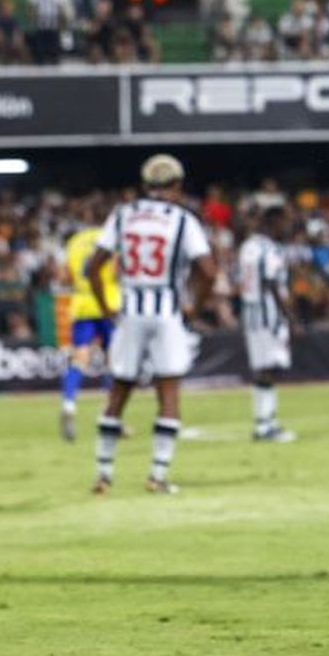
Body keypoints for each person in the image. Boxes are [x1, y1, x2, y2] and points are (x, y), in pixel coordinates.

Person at [86, 154, 217, 495]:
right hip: (166, 311)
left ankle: (103, 475)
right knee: (169, 392)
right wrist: (194, 307)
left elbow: (93, 266)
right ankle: (157, 476)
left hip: (130, 309)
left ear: (146, 185)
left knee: (119, 391)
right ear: (177, 186)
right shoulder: (182, 219)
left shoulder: (123, 214)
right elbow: (209, 271)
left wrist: (105, 307)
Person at [59, 206, 121, 442]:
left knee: (80, 356)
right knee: (113, 360)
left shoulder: (74, 242)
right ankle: (111, 416)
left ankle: (69, 403)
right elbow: (116, 271)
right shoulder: (110, 239)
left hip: (82, 304)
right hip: (108, 303)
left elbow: (65, 276)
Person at [239, 205, 297, 442]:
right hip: (269, 315)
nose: (288, 227)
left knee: (263, 368)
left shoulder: (247, 246)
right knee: (269, 369)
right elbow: (272, 284)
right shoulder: (269, 249)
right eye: (285, 221)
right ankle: (265, 425)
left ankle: (266, 420)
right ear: (274, 222)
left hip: (251, 314)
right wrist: (290, 318)